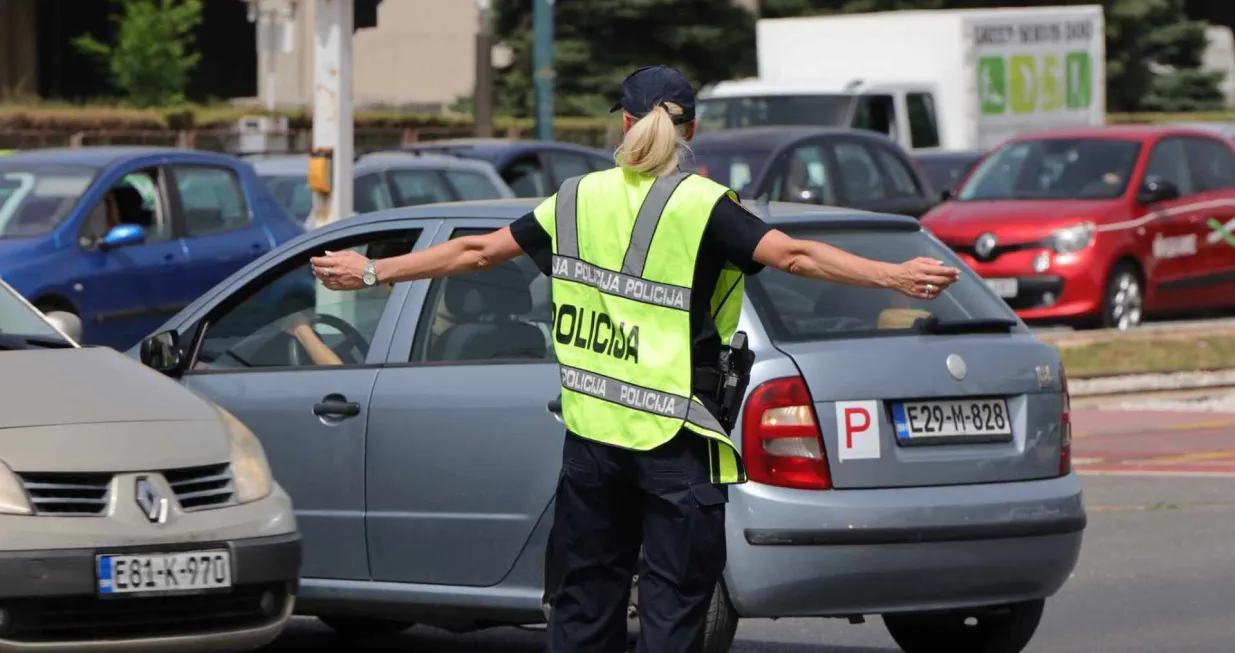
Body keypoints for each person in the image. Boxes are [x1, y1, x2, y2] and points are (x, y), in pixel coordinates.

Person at [309, 65, 960, 653]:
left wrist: (372, 271)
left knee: (582, 603)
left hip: (592, 439)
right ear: (689, 130)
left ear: (623, 124)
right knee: (672, 609)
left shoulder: (575, 198)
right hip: (675, 438)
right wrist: (893, 276)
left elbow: (475, 252)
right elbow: (793, 256)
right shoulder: (703, 207)